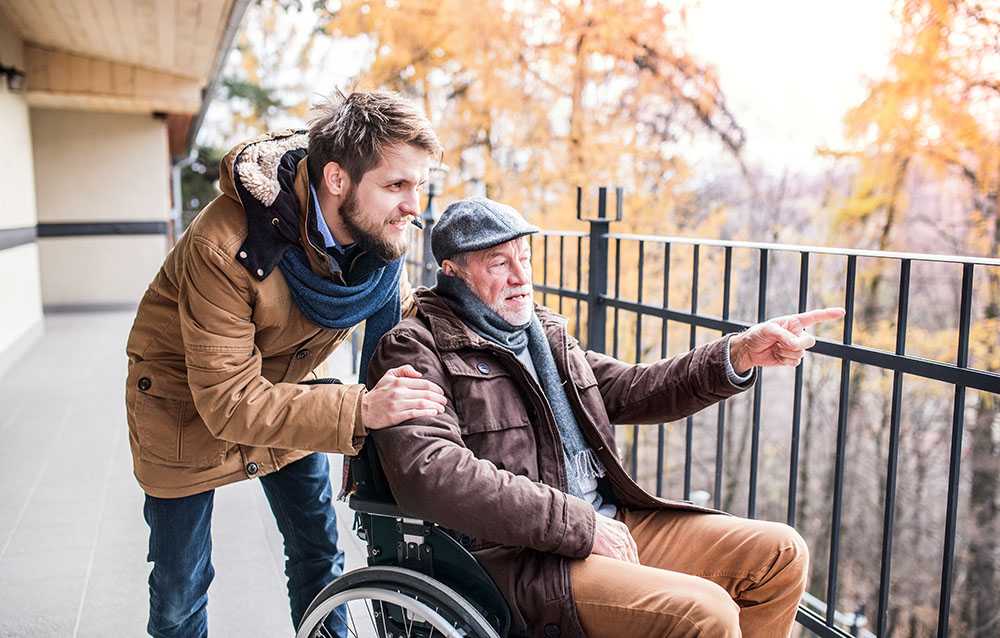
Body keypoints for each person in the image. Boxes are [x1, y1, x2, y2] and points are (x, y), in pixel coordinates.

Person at [367, 197, 845, 637]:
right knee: (705, 612)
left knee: (779, 555)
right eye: (499, 264)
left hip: (608, 522)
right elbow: (433, 473)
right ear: (452, 272)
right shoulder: (415, 346)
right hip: (524, 559)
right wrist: (580, 525)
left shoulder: (542, 338)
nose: (520, 276)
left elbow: (636, 388)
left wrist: (738, 352)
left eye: (524, 258)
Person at [124, 91, 449, 638]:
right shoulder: (223, 246)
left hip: (285, 393)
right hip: (183, 405)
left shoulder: (374, 248)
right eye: (396, 185)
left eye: (418, 185)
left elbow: (404, 325)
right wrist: (362, 408)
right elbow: (228, 402)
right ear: (338, 179)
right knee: (182, 588)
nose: (413, 205)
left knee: (319, 557)